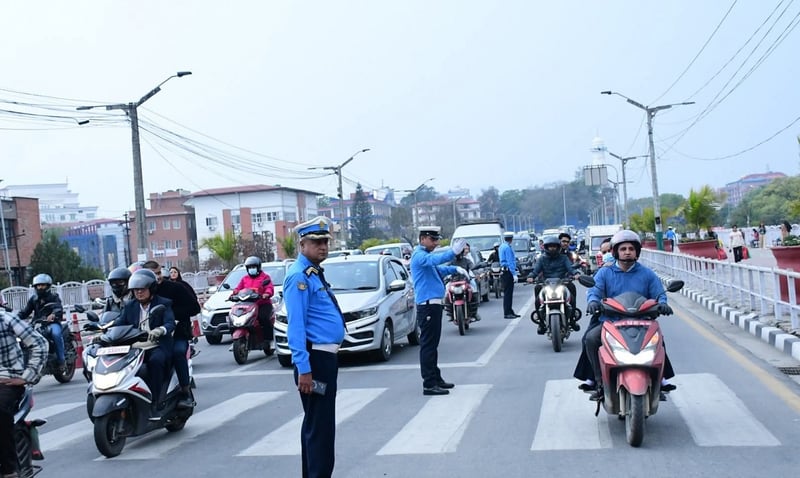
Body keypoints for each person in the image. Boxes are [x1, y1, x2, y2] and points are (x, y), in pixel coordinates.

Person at [576, 230, 677, 400]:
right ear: (616, 252)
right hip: (611, 320)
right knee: (591, 339)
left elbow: (659, 293)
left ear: (637, 251)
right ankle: (597, 380)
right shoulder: (605, 273)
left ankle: (661, 378)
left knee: (658, 339)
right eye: (623, 249)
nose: (627, 251)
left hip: (642, 320)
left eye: (631, 248)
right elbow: (595, 291)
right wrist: (593, 301)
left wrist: (663, 303)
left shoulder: (647, 274)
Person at [284, 216, 346, 478]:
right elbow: (296, 326)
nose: (322, 246)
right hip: (315, 363)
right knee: (320, 430)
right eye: (316, 242)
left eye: (325, 242)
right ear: (302, 245)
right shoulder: (299, 277)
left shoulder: (312, 273)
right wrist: (304, 369)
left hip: (322, 361)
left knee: (315, 426)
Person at [410, 226, 466, 396]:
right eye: (433, 240)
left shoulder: (425, 256)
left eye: (437, 239)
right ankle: (429, 383)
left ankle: (436, 377)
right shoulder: (419, 256)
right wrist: (452, 253)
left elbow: (438, 269)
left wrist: (454, 269)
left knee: (433, 345)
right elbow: (434, 261)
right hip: (427, 305)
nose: (436, 243)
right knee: (428, 345)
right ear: (422, 239)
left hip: (432, 304)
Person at [117, 269, 175, 420]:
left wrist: (159, 330)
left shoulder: (163, 303)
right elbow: (119, 324)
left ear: (151, 289)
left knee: (155, 362)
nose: (139, 293)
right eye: (136, 290)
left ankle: (155, 402)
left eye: (142, 289)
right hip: (134, 348)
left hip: (156, 345)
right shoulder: (130, 306)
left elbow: (170, 323)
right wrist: (102, 333)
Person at [142, 261, 200, 409]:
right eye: (153, 274)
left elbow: (194, 308)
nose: (158, 277)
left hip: (177, 333)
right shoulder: (140, 293)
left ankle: (185, 391)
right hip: (149, 338)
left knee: (178, 352)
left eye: (159, 273)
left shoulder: (176, 288)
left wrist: (172, 316)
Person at [0, 311, 47, 478]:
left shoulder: (5, 319)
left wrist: (26, 377)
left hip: (6, 381)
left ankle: (9, 470)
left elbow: (39, 343)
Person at [526, 235, 581, 334]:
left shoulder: (564, 258)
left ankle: (572, 319)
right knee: (537, 289)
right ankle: (541, 322)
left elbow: (571, 268)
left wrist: (576, 274)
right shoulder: (542, 259)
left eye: (554, 246)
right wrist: (530, 277)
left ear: (558, 247)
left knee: (572, 287)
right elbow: (535, 271)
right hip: (546, 284)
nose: (552, 248)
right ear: (546, 247)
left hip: (562, 283)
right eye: (550, 246)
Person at [18, 273, 65, 372]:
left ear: (48, 286)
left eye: (42, 285)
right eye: (38, 285)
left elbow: (58, 308)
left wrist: (53, 315)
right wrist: (14, 318)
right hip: (37, 323)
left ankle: (61, 360)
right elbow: (25, 311)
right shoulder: (34, 299)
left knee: (56, 334)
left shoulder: (54, 297)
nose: (40, 288)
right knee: (23, 338)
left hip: (52, 323)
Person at [230, 256, 275, 354]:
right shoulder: (244, 279)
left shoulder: (265, 277)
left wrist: (266, 294)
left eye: (253, 267)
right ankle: (237, 339)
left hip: (262, 303)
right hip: (248, 304)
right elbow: (238, 289)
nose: (251, 269)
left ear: (258, 267)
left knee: (263, 318)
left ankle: (269, 340)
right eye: (249, 267)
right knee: (234, 318)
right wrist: (234, 294)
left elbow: (269, 288)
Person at [448, 242, 481, 321]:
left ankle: (474, 312)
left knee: (474, 289)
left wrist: (477, 274)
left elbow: (473, 268)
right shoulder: (452, 261)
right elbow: (445, 269)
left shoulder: (467, 260)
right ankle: (450, 312)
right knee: (446, 293)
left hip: (465, 281)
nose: (458, 254)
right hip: (453, 282)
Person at [499, 231, 519, 318]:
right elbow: (510, 261)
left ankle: (510, 311)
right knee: (508, 293)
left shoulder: (502, 246)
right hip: (508, 272)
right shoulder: (507, 248)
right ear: (511, 239)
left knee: (508, 293)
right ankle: (507, 312)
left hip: (504, 271)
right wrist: (514, 273)